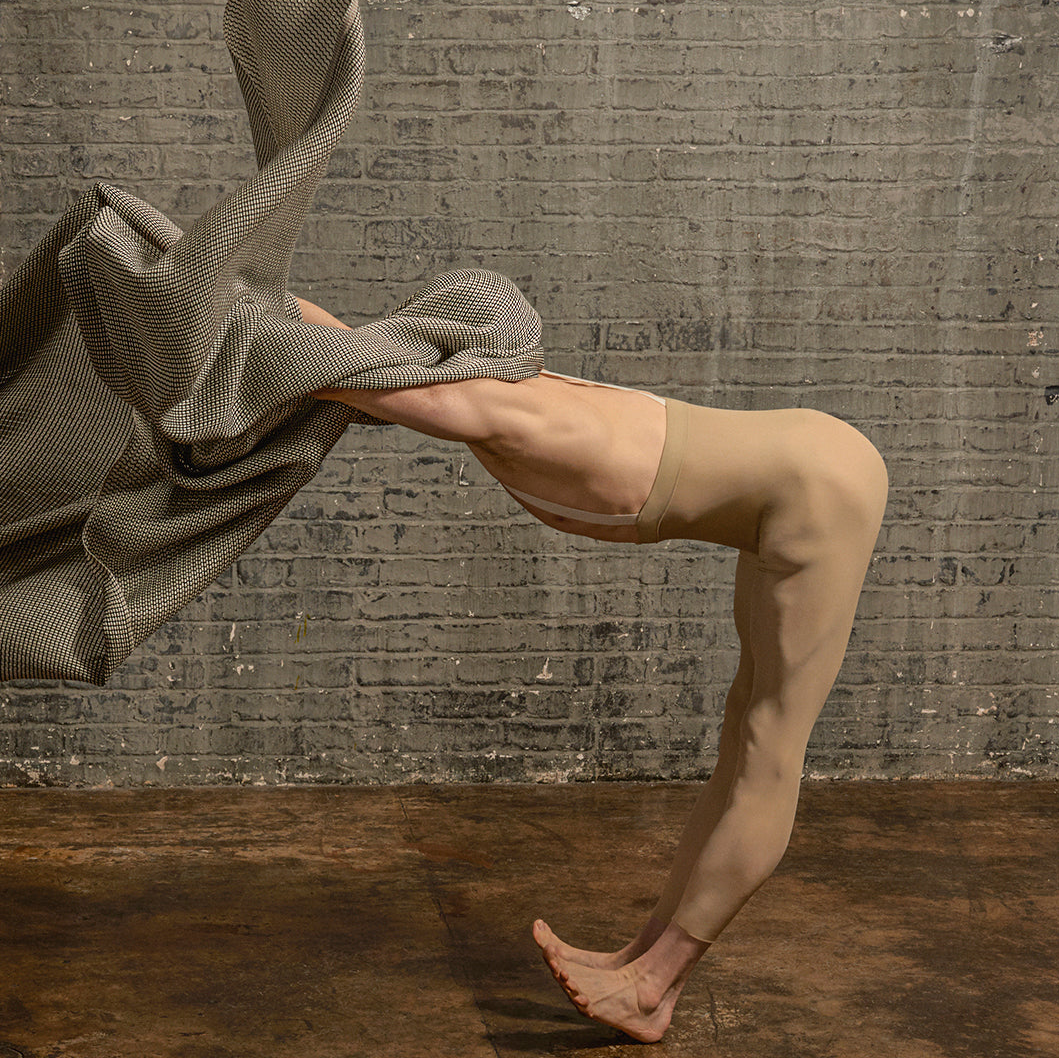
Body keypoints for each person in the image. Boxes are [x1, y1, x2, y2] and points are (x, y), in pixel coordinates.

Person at [297, 297, 888, 1043]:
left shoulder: (500, 413)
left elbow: (332, 370)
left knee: (768, 745)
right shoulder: (494, 389)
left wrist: (215, 319)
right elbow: (349, 349)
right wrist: (244, 295)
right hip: (793, 467)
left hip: (823, 492)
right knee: (740, 729)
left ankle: (652, 988)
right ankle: (639, 960)